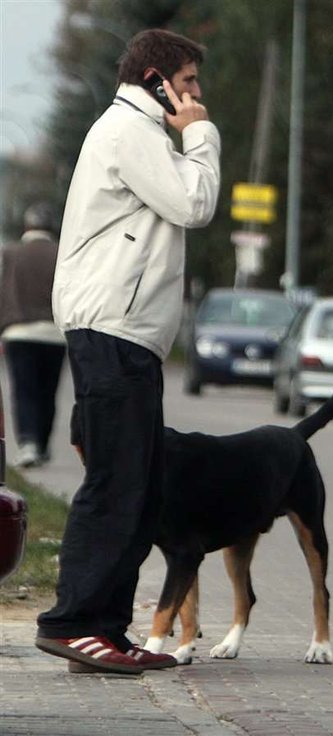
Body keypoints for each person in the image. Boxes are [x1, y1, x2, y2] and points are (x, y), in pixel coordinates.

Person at [35, 28, 221, 675]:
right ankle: (71, 623)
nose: (198, 96)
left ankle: (105, 630)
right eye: (190, 83)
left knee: (139, 491)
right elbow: (194, 203)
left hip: (129, 335)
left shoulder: (140, 135)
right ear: (155, 80)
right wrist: (200, 135)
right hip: (112, 330)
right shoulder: (129, 132)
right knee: (116, 484)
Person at [0, 203, 66, 468]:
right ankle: (43, 442)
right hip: (54, 332)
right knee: (48, 390)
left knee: (24, 388)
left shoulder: (11, 254)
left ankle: (28, 442)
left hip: (19, 331)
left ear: (26, 226)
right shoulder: (61, 254)